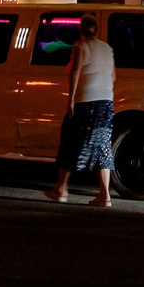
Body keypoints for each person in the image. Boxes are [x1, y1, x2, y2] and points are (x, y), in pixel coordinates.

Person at [45, 15, 116, 206]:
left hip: (86, 102)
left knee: (69, 140)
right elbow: (113, 76)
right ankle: (105, 195)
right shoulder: (107, 48)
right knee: (103, 146)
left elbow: (75, 71)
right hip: (106, 103)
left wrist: (71, 100)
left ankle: (61, 189)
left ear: (81, 31)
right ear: (97, 31)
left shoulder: (80, 46)